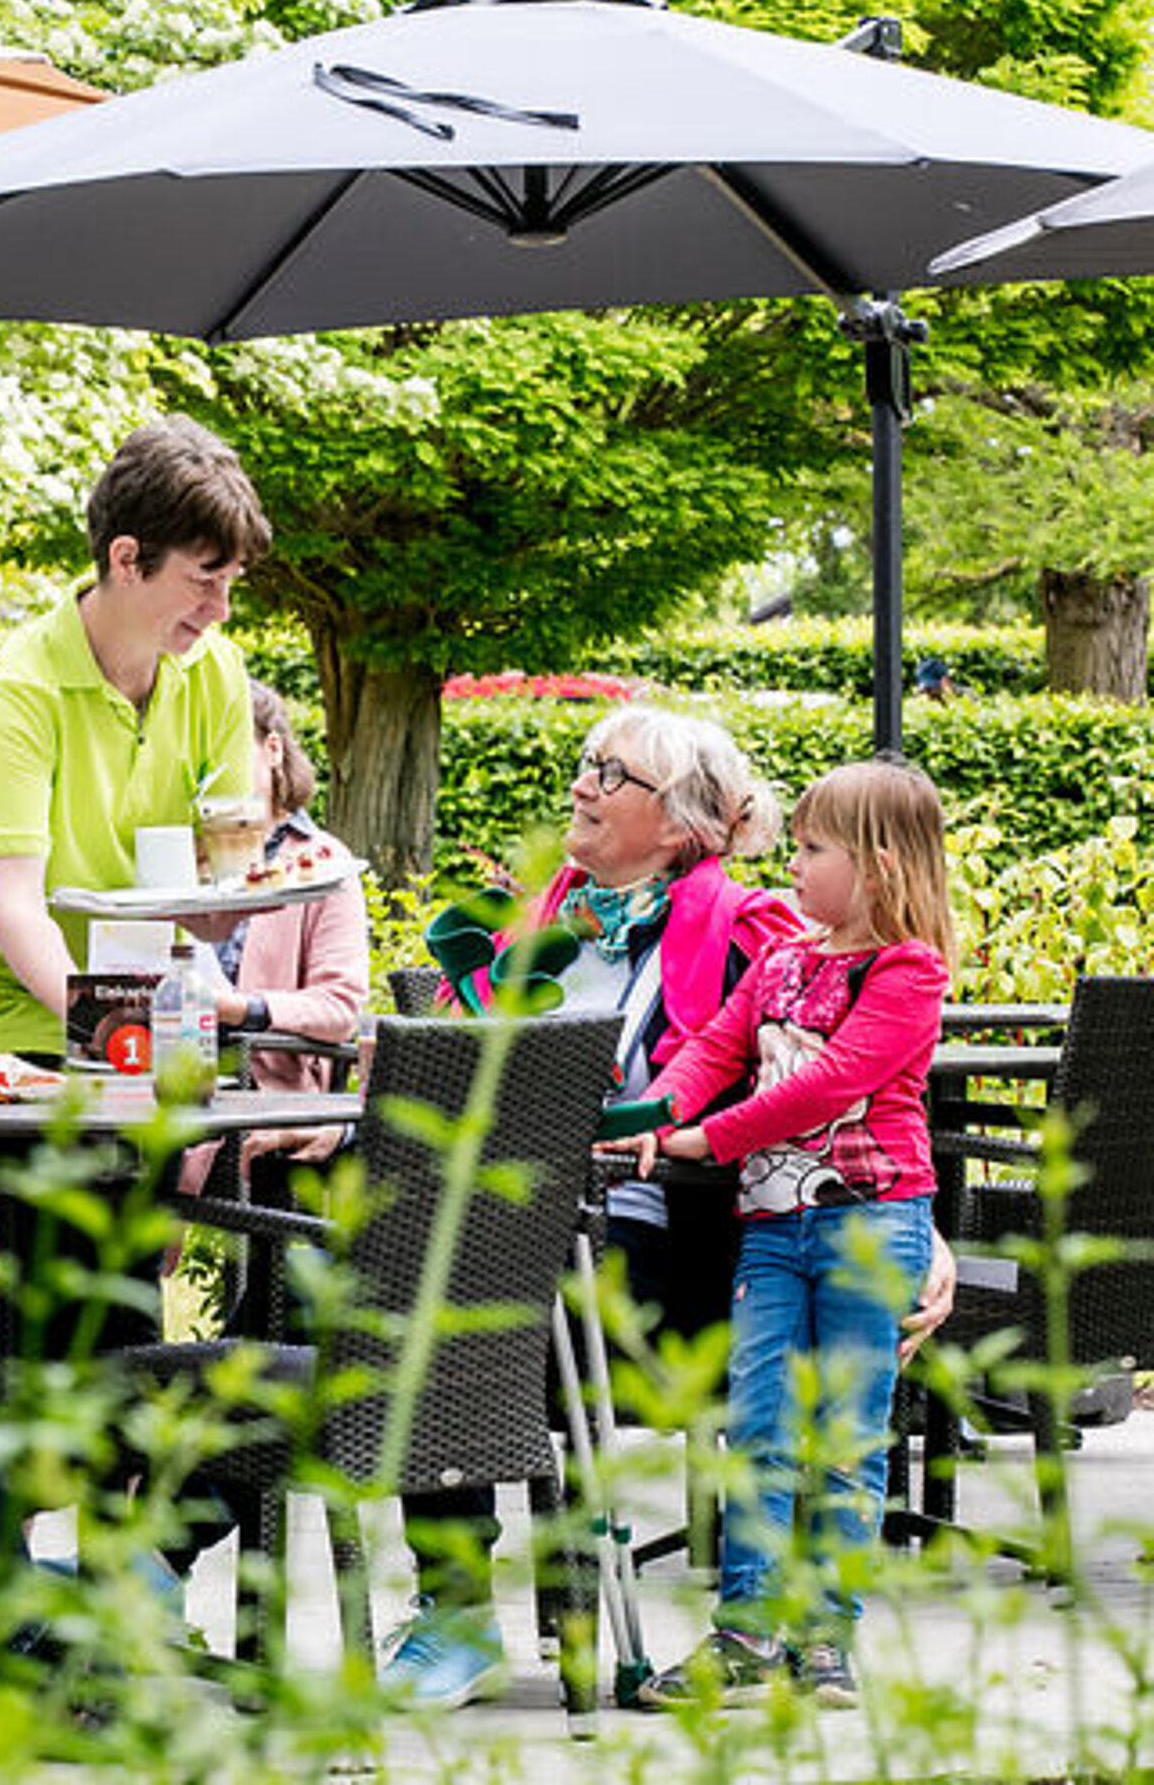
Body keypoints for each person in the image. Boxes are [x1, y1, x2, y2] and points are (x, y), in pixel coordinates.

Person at [384, 705, 957, 1709]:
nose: (581, 785)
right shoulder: (526, 928)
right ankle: (454, 1606)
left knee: (452, 1283)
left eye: (611, 772)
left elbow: (841, 1082)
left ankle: (799, 1632)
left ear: (684, 819)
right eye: (583, 764)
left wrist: (925, 1238)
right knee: (404, 1267)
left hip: (664, 1242)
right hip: (508, 1217)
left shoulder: (757, 935)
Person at [609, 758, 952, 1709]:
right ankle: (747, 1635)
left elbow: (829, 1082)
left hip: (872, 1226)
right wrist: (652, 1113)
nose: (791, 866)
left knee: (845, 1437)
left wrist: (704, 1136)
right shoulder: (782, 959)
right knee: (755, 1428)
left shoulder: (908, 971)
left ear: (879, 867)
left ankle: (829, 1636)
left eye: (811, 849)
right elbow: (717, 1045)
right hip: (771, 1229)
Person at [0, 416, 273, 1065]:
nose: (222, 609)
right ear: (126, 558)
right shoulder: (19, 687)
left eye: (232, 583)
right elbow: (16, 905)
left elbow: (226, 882)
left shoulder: (219, 671)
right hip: (8, 1025)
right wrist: (111, 1029)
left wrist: (232, 895)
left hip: (150, 1010)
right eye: (204, 580)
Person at [186, 680, 370, 1191]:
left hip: (267, 1091)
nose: (213, 770)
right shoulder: (175, 859)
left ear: (273, 749)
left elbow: (341, 1005)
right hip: (162, 1081)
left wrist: (240, 1008)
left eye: (227, 749)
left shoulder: (321, 864)